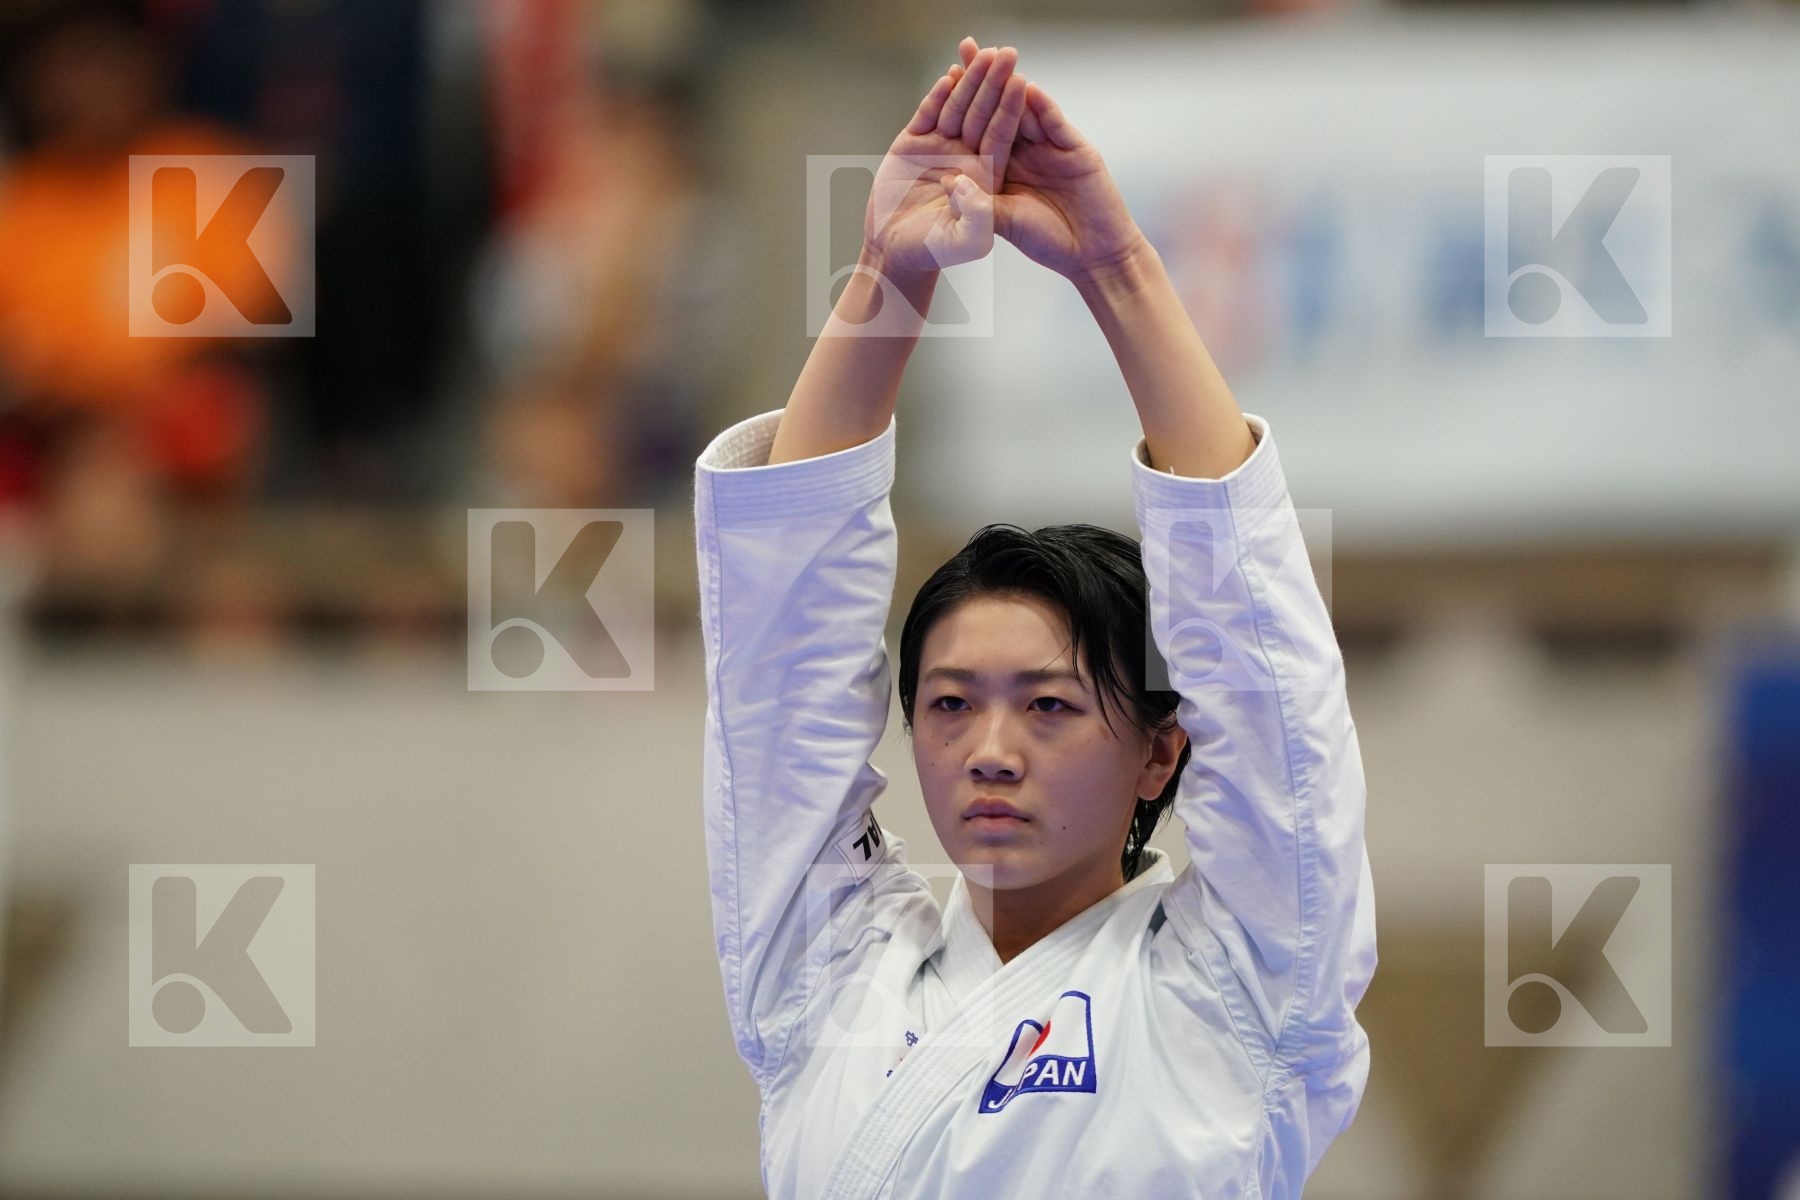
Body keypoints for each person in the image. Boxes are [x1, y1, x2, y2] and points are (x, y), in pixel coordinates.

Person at [692, 37, 1376, 1198]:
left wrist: (1119, 269)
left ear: (1162, 747)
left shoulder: (1246, 987)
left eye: (1050, 706)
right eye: (949, 705)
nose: (989, 751)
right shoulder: (828, 972)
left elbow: (1267, 683)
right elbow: (782, 654)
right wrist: (887, 276)